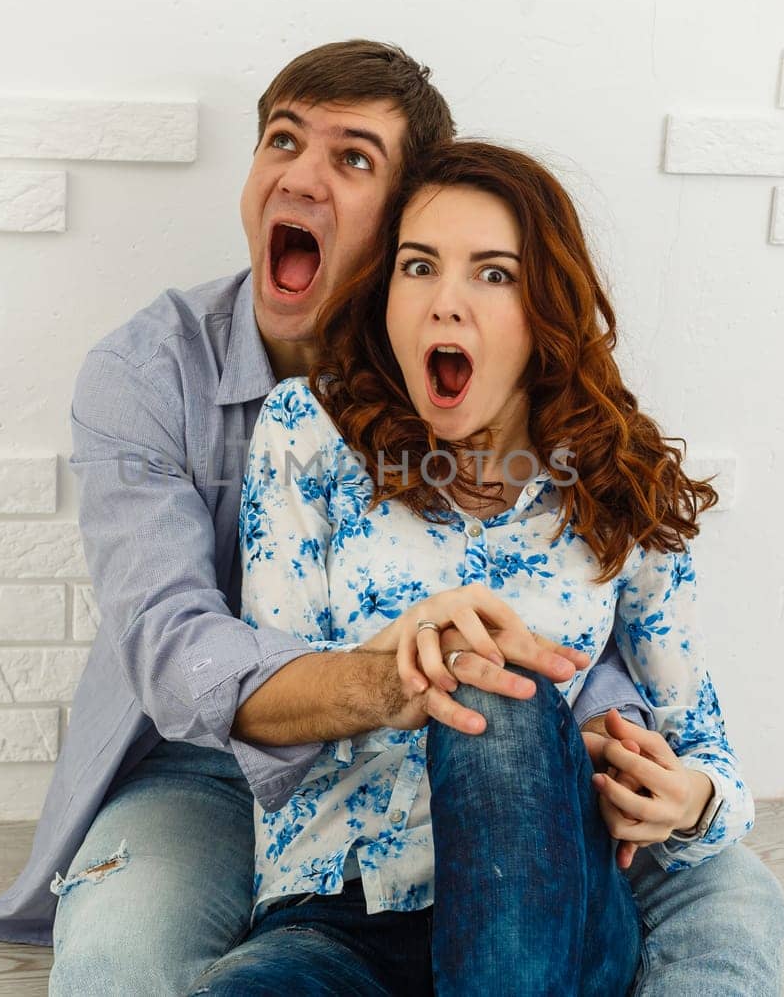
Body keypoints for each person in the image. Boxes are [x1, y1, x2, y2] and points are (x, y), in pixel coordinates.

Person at [0, 40, 784, 996]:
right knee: (120, 971)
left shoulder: (593, 467)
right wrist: (394, 673)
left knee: (708, 876)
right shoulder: (226, 403)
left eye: (351, 158)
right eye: (281, 140)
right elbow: (171, 641)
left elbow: (623, 663)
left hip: (513, 838)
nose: (300, 177)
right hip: (221, 783)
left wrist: (643, 765)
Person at [184, 140, 748, 994]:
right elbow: (272, 702)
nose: (446, 303)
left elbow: (707, 752)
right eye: (419, 268)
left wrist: (687, 800)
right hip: (336, 916)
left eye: (493, 274)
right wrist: (394, 663)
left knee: (488, 673)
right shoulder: (309, 435)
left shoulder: (617, 485)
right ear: (386, 294)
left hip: (552, 914)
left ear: (544, 309)